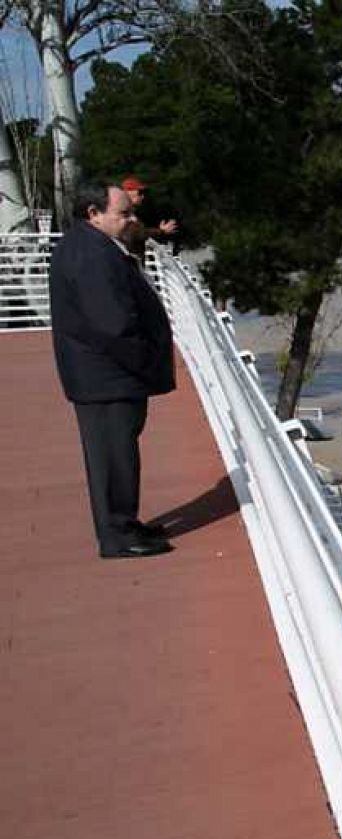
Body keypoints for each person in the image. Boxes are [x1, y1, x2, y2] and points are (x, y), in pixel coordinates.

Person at [49, 179, 176, 559]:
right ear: (94, 214)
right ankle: (117, 536)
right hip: (106, 377)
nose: (131, 219)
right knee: (111, 456)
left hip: (107, 374)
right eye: (123, 213)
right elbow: (112, 324)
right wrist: (146, 360)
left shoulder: (91, 245)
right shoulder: (91, 254)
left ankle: (125, 520)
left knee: (120, 452)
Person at [120, 176, 179, 265]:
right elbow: (138, 233)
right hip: (132, 262)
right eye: (139, 193)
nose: (142, 196)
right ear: (128, 193)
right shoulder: (124, 215)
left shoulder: (130, 214)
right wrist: (160, 231)